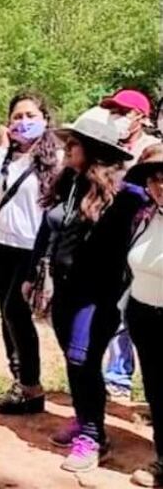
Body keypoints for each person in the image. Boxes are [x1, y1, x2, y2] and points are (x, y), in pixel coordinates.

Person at [33, 107, 141, 473]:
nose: (66, 150)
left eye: (73, 144)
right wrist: (35, 272)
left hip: (99, 295)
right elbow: (48, 230)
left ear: (94, 150)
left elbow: (153, 203)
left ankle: (94, 437)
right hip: (64, 290)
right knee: (74, 359)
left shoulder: (127, 196)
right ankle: (84, 416)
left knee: (83, 358)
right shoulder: (69, 182)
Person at [0, 91, 60, 414]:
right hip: (2, 245)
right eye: (17, 117)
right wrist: (0, 149)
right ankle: (21, 384)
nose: (23, 122)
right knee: (7, 317)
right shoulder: (6, 157)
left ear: (45, 120)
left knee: (16, 313)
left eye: (30, 116)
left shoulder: (56, 160)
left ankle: (32, 386)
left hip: (31, 251)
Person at [100, 89, 157, 401]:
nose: (116, 117)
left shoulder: (152, 151)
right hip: (117, 242)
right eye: (113, 111)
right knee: (117, 308)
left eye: (123, 111)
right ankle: (118, 378)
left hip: (149, 243)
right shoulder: (108, 149)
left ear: (141, 117)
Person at [124, 144, 163, 487]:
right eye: (155, 178)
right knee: (156, 390)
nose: (161, 185)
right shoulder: (145, 216)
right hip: (142, 313)